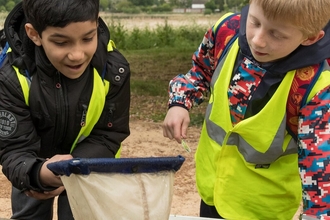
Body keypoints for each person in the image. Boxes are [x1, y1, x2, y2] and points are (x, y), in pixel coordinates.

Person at [163, 0, 330, 219]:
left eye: (277, 35)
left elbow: (319, 167)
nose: (258, 40)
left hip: (263, 209)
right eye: (254, 22)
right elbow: (200, 71)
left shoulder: (315, 86)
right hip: (212, 191)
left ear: (310, 38)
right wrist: (179, 102)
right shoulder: (226, 31)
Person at [0, 0, 130, 219]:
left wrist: (74, 165)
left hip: (90, 164)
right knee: (29, 213)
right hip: (33, 162)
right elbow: (14, 148)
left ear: (96, 24)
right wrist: (35, 174)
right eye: (61, 42)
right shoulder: (10, 76)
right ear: (34, 34)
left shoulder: (114, 70)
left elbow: (109, 135)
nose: (77, 55)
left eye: (88, 38)